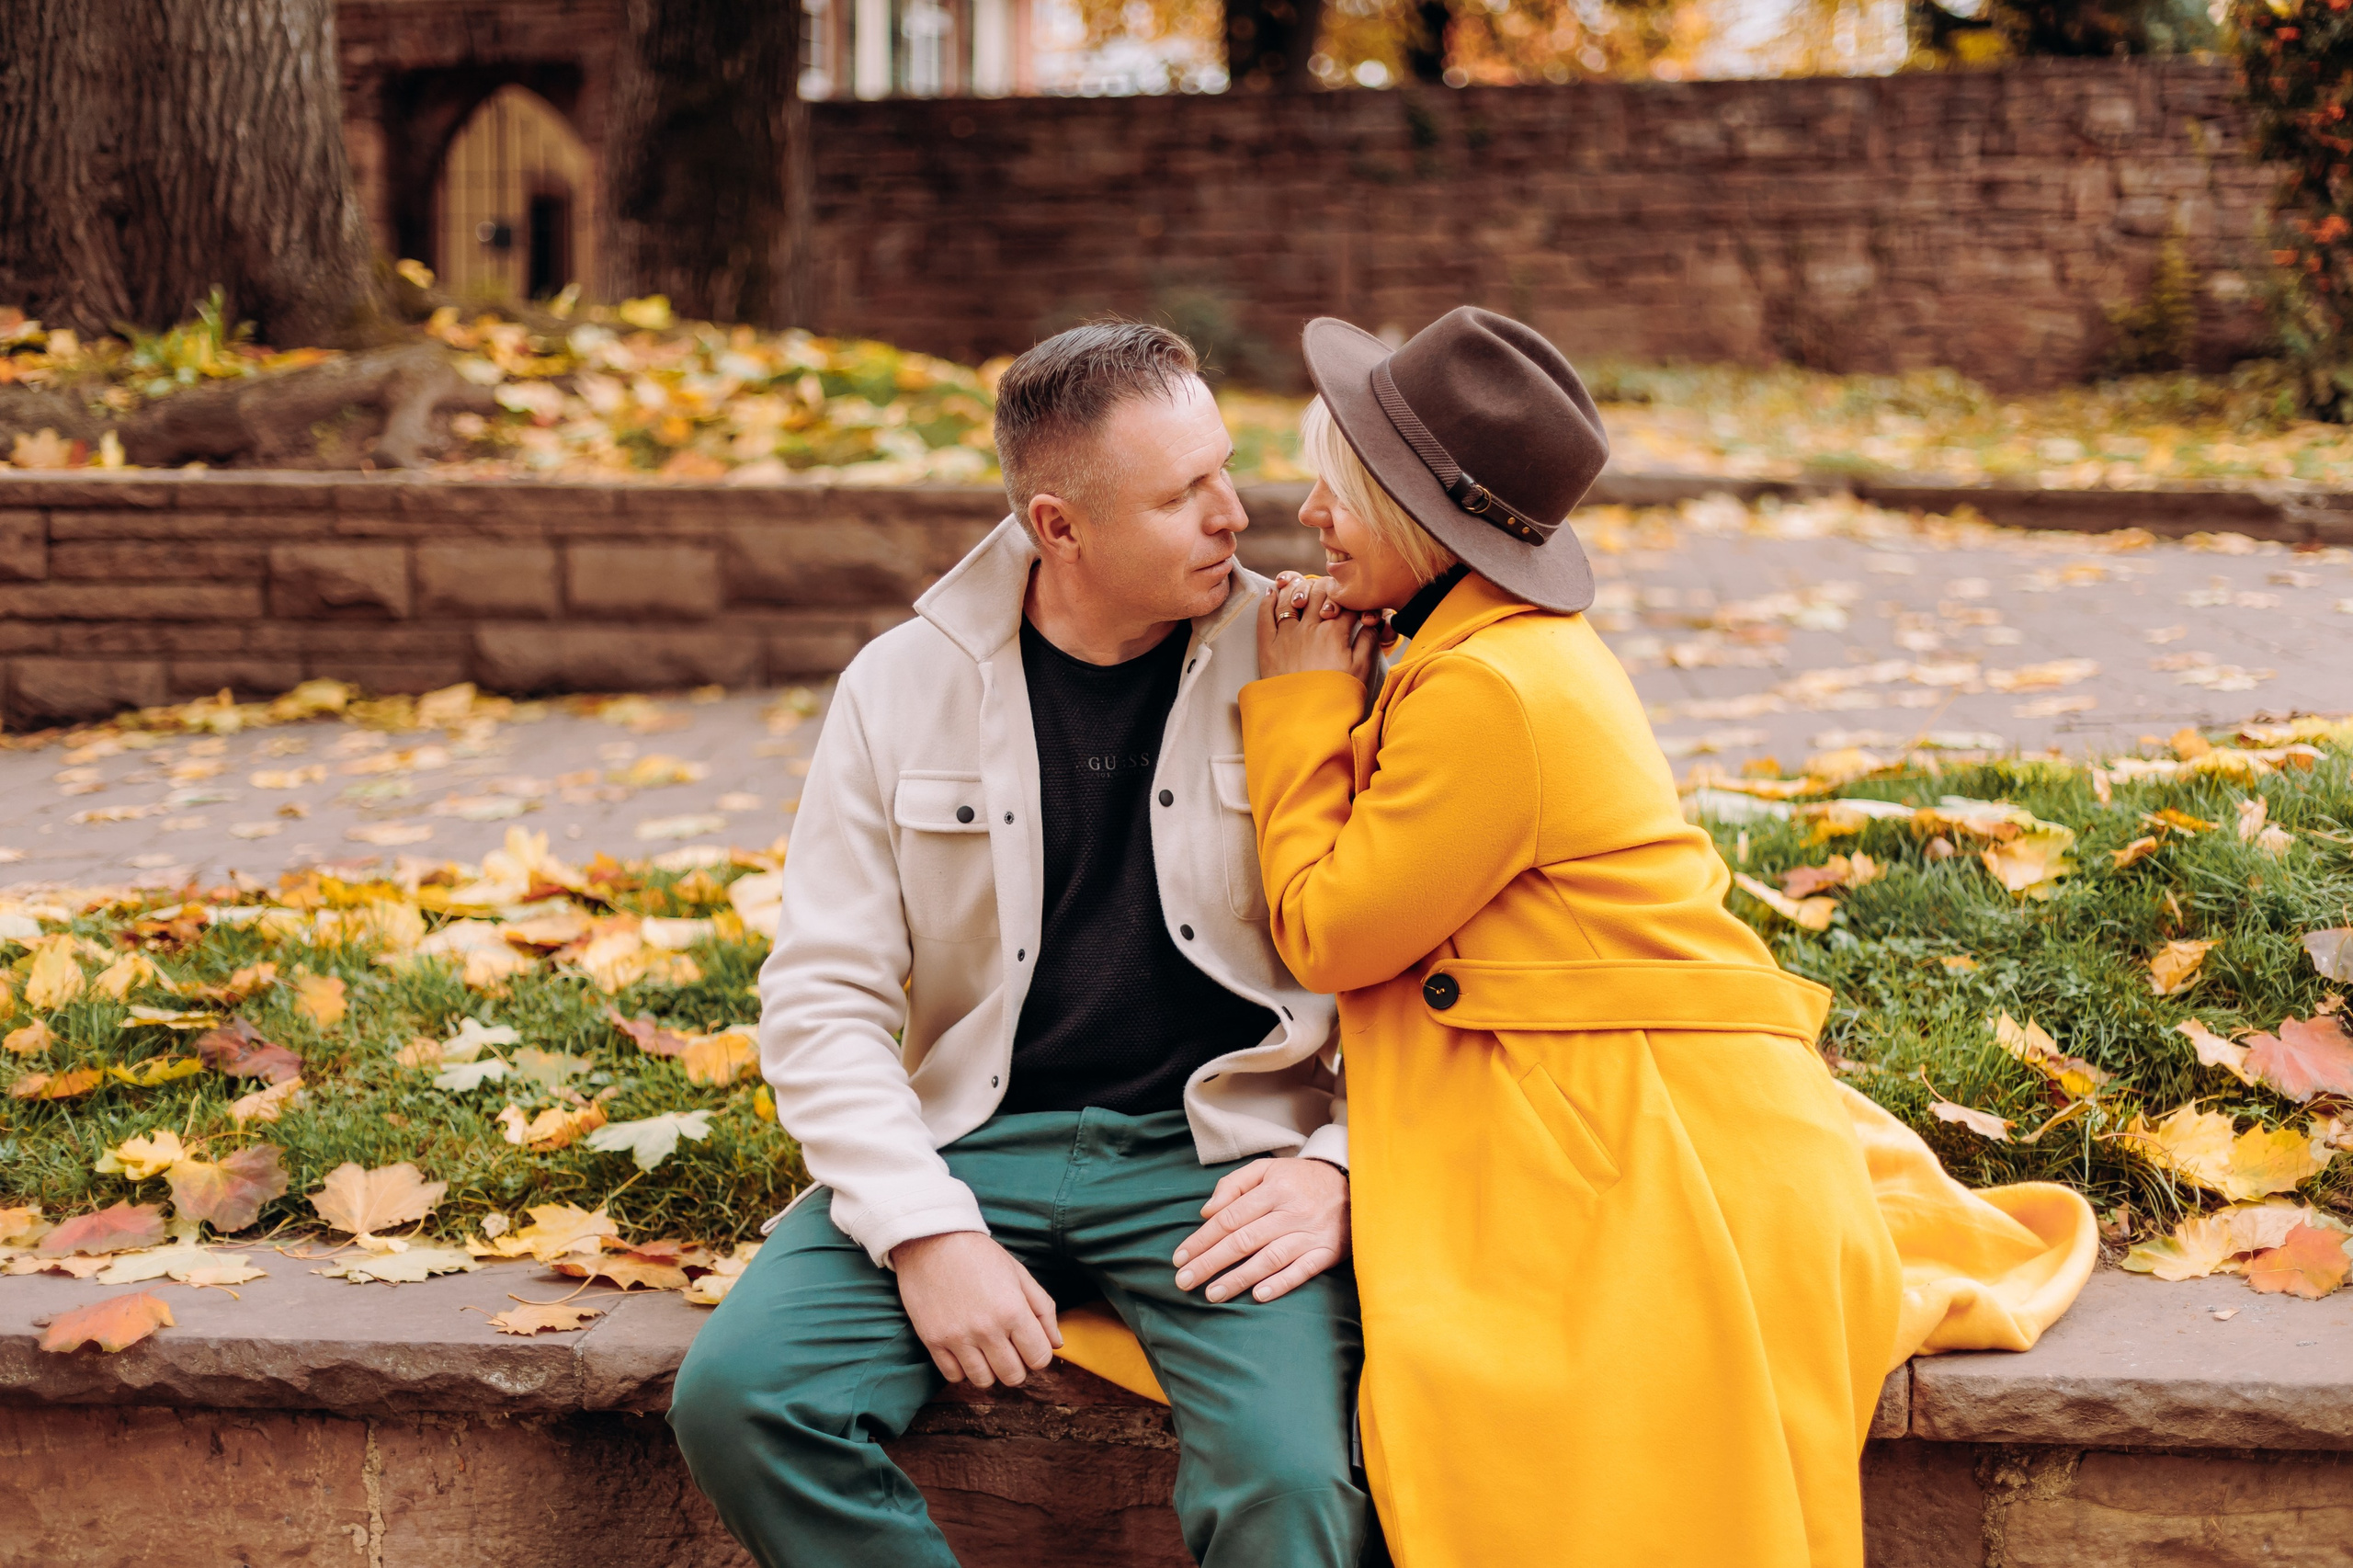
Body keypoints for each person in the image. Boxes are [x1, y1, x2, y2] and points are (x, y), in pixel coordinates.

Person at [1232, 307, 2097, 1568]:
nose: (1308, 511)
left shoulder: (1487, 688)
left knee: (1522, 1402)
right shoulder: (1483, 646)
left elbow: (1327, 928)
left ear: (1423, 521)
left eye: (1340, 488)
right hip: (1661, 1071)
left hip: (1640, 1115)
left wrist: (1302, 702)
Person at [667, 322, 1372, 1568]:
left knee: (1294, 1482)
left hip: (1221, 1160)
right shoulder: (898, 686)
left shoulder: (1311, 658)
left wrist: (1337, 1161)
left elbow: (1419, 957)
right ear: (1060, 527)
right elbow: (822, 998)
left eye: (1224, 469)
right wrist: (928, 1233)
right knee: (743, 1397)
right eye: (1181, 494)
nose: (1235, 515)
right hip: (969, 1138)